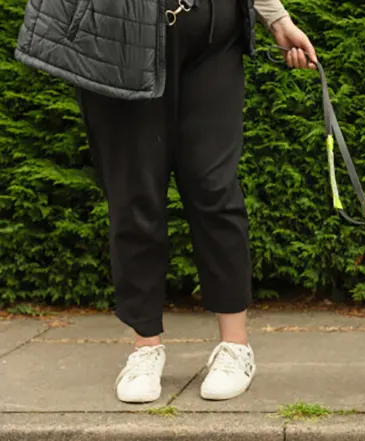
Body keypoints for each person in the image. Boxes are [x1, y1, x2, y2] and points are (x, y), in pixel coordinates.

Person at [14, 0, 317, 403]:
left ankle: (235, 346)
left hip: (214, 38)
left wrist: (276, 17)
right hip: (120, 39)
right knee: (135, 195)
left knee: (215, 187)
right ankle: (145, 346)